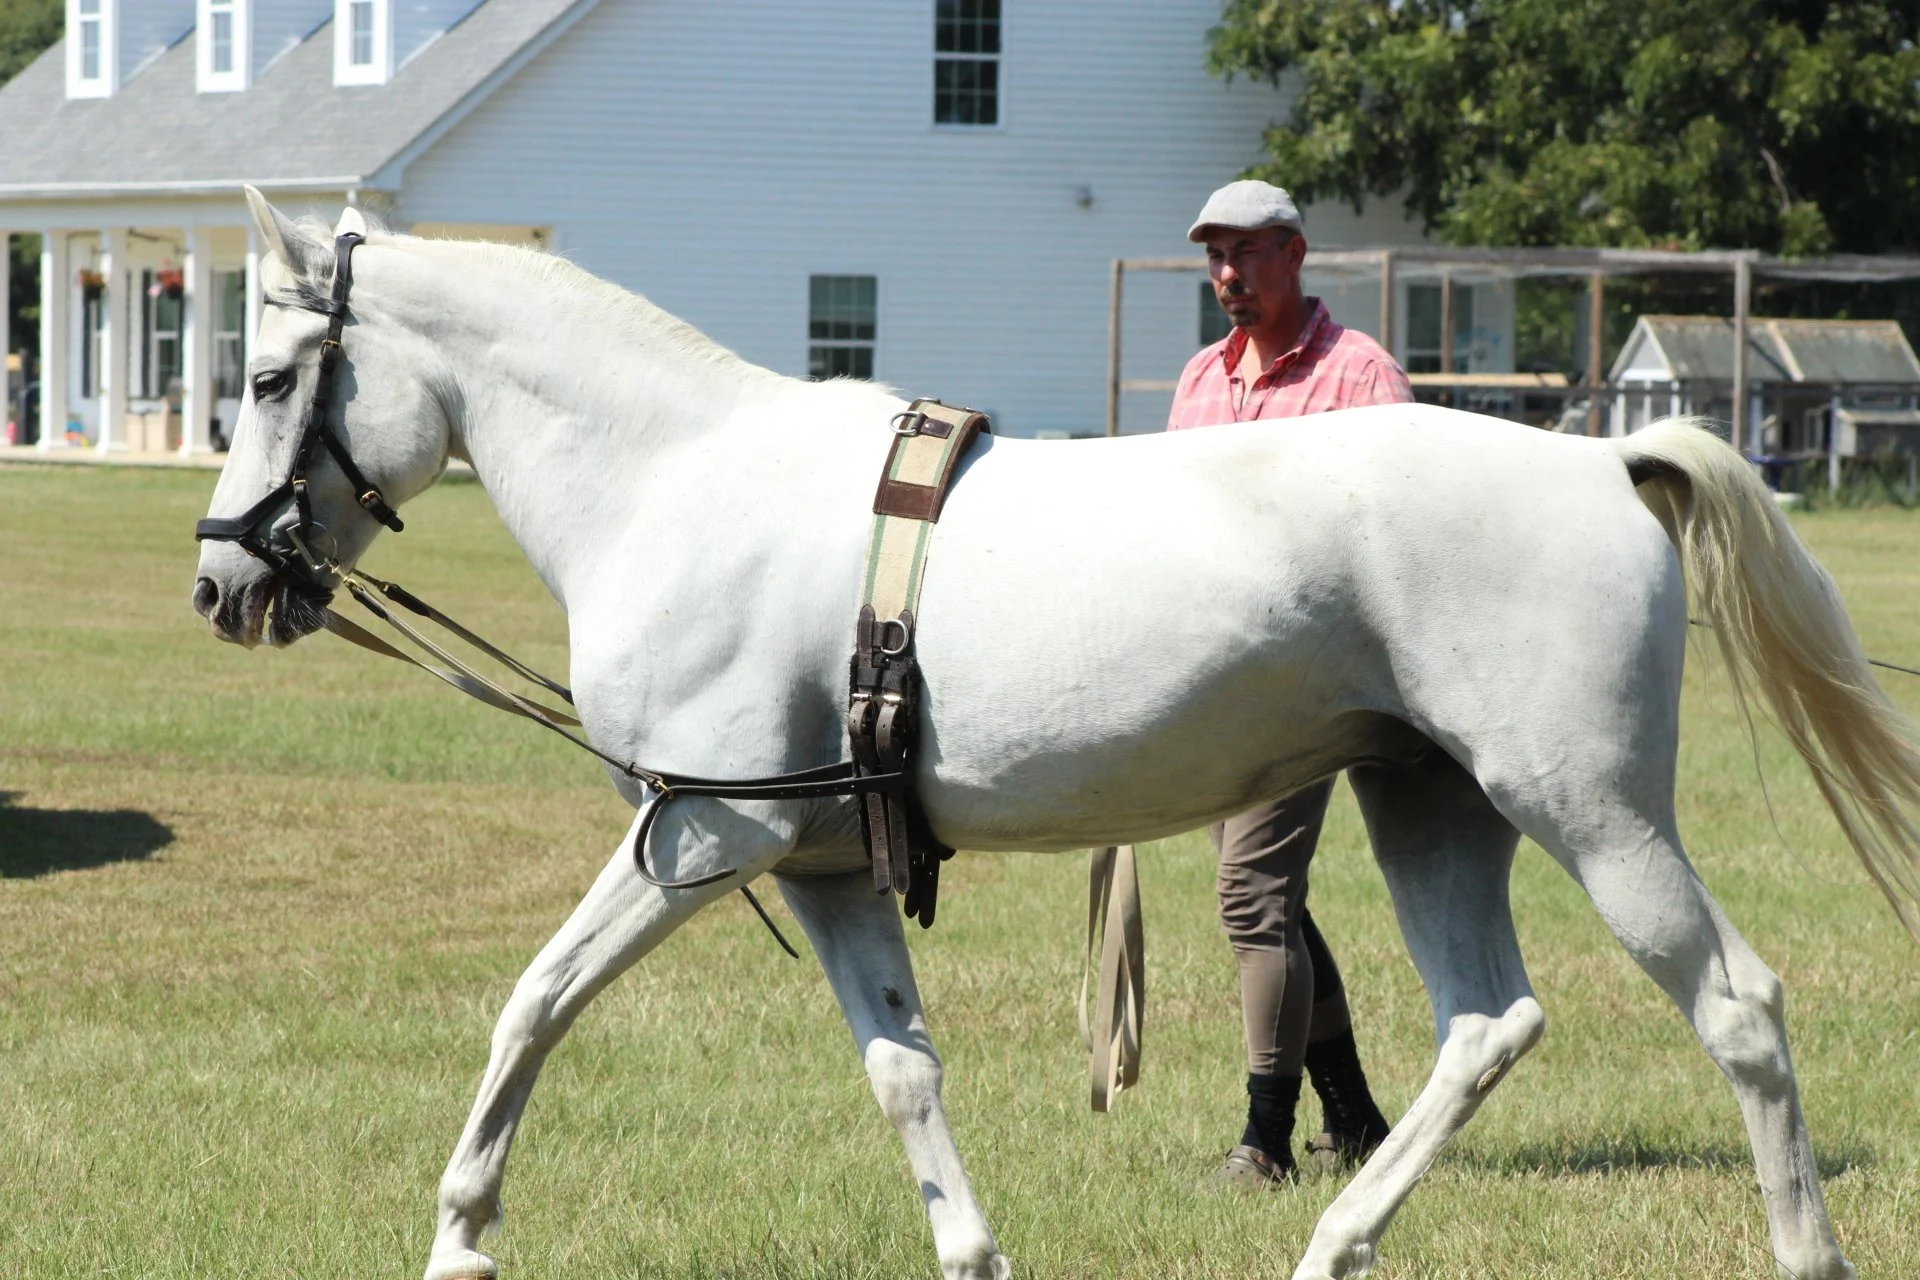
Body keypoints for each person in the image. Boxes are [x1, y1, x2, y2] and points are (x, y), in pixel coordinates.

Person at [1168, 180, 1411, 1187]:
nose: (1229, 275)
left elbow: (1400, 535)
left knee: (1250, 892)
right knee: (1276, 895)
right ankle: (1352, 1112)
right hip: (1215, 683)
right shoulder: (1199, 381)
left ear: (1296, 253)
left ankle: (1265, 1140)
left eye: (1248, 253)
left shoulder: (1361, 374)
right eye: (1216, 257)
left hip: (1317, 682)